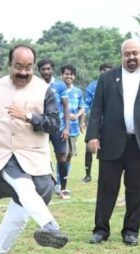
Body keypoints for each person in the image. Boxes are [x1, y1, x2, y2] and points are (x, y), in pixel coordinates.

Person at [0, 45, 68, 254]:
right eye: (18, 67)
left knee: (23, 209)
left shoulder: (45, 90)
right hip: (5, 154)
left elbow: (54, 124)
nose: (23, 72)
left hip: (36, 155)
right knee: (24, 186)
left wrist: (29, 116)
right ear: (9, 65)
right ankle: (51, 226)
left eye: (28, 68)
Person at [86, 39, 140, 246]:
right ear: (121, 55)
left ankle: (131, 231)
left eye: (135, 53)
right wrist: (93, 135)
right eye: (127, 54)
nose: (131, 57)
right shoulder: (106, 78)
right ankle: (101, 230)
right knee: (106, 188)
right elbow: (96, 110)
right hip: (111, 142)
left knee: (137, 190)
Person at [38, 58, 69, 194]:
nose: (46, 71)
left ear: (52, 69)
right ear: (39, 71)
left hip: (58, 127)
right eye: (43, 69)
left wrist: (67, 128)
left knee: (61, 157)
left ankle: (63, 188)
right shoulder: (35, 85)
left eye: (48, 69)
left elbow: (66, 107)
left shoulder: (60, 86)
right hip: (42, 128)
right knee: (41, 156)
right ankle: (50, 183)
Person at [83, 63, 112, 183]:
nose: (106, 72)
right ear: (100, 72)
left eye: (108, 70)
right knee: (89, 148)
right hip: (95, 122)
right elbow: (86, 104)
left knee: (106, 151)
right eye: (104, 70)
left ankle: (105, 175)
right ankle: (88, 175)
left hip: (110, 124)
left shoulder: (115, 85)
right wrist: (82, 118)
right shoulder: (93, 85)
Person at [60, 64, 85, 199]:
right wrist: (67, 116)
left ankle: (63, 180)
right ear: (62, 75)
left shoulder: (78, 91)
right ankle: (59, 184)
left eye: (70, 74)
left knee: (69, 155)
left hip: (74, 129)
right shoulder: (59, 89)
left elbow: (82, 108)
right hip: (63, 128)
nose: (68, 76)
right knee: (62, 155)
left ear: (74, 76)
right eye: (66, 74)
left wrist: (78, 117)